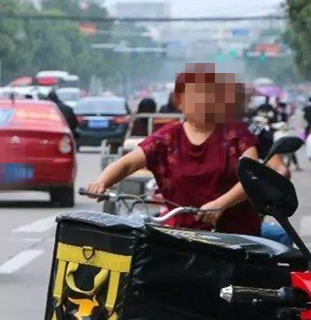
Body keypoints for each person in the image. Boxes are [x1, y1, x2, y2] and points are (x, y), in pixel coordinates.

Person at [86, 64, 262, 235]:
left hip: (239, 237)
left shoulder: (237, 134)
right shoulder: (165, 139)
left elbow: (253, 177)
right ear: (179, 101)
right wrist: (101, 182)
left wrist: (220, 204)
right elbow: (127, 164)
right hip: (182, 237)